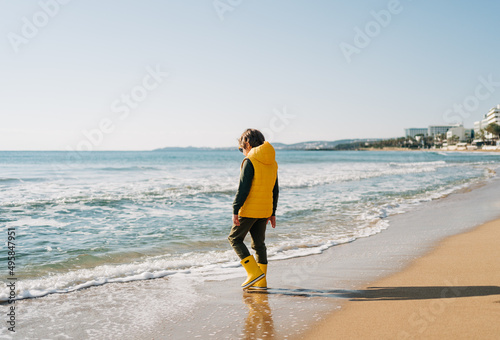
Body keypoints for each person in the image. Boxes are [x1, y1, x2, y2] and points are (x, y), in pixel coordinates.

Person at [228, 129, 279, 289]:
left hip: (250, 209)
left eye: (241, 148)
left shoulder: (250, 161)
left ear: (248, 144)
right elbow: (275, 189)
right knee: (259, 244)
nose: (242, 152)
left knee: (234, 239)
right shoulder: (272, 162)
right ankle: (261, 282)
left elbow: (243, 189)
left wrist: (235, 209)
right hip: (264, 209)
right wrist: (272, 212)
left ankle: (254, 273)